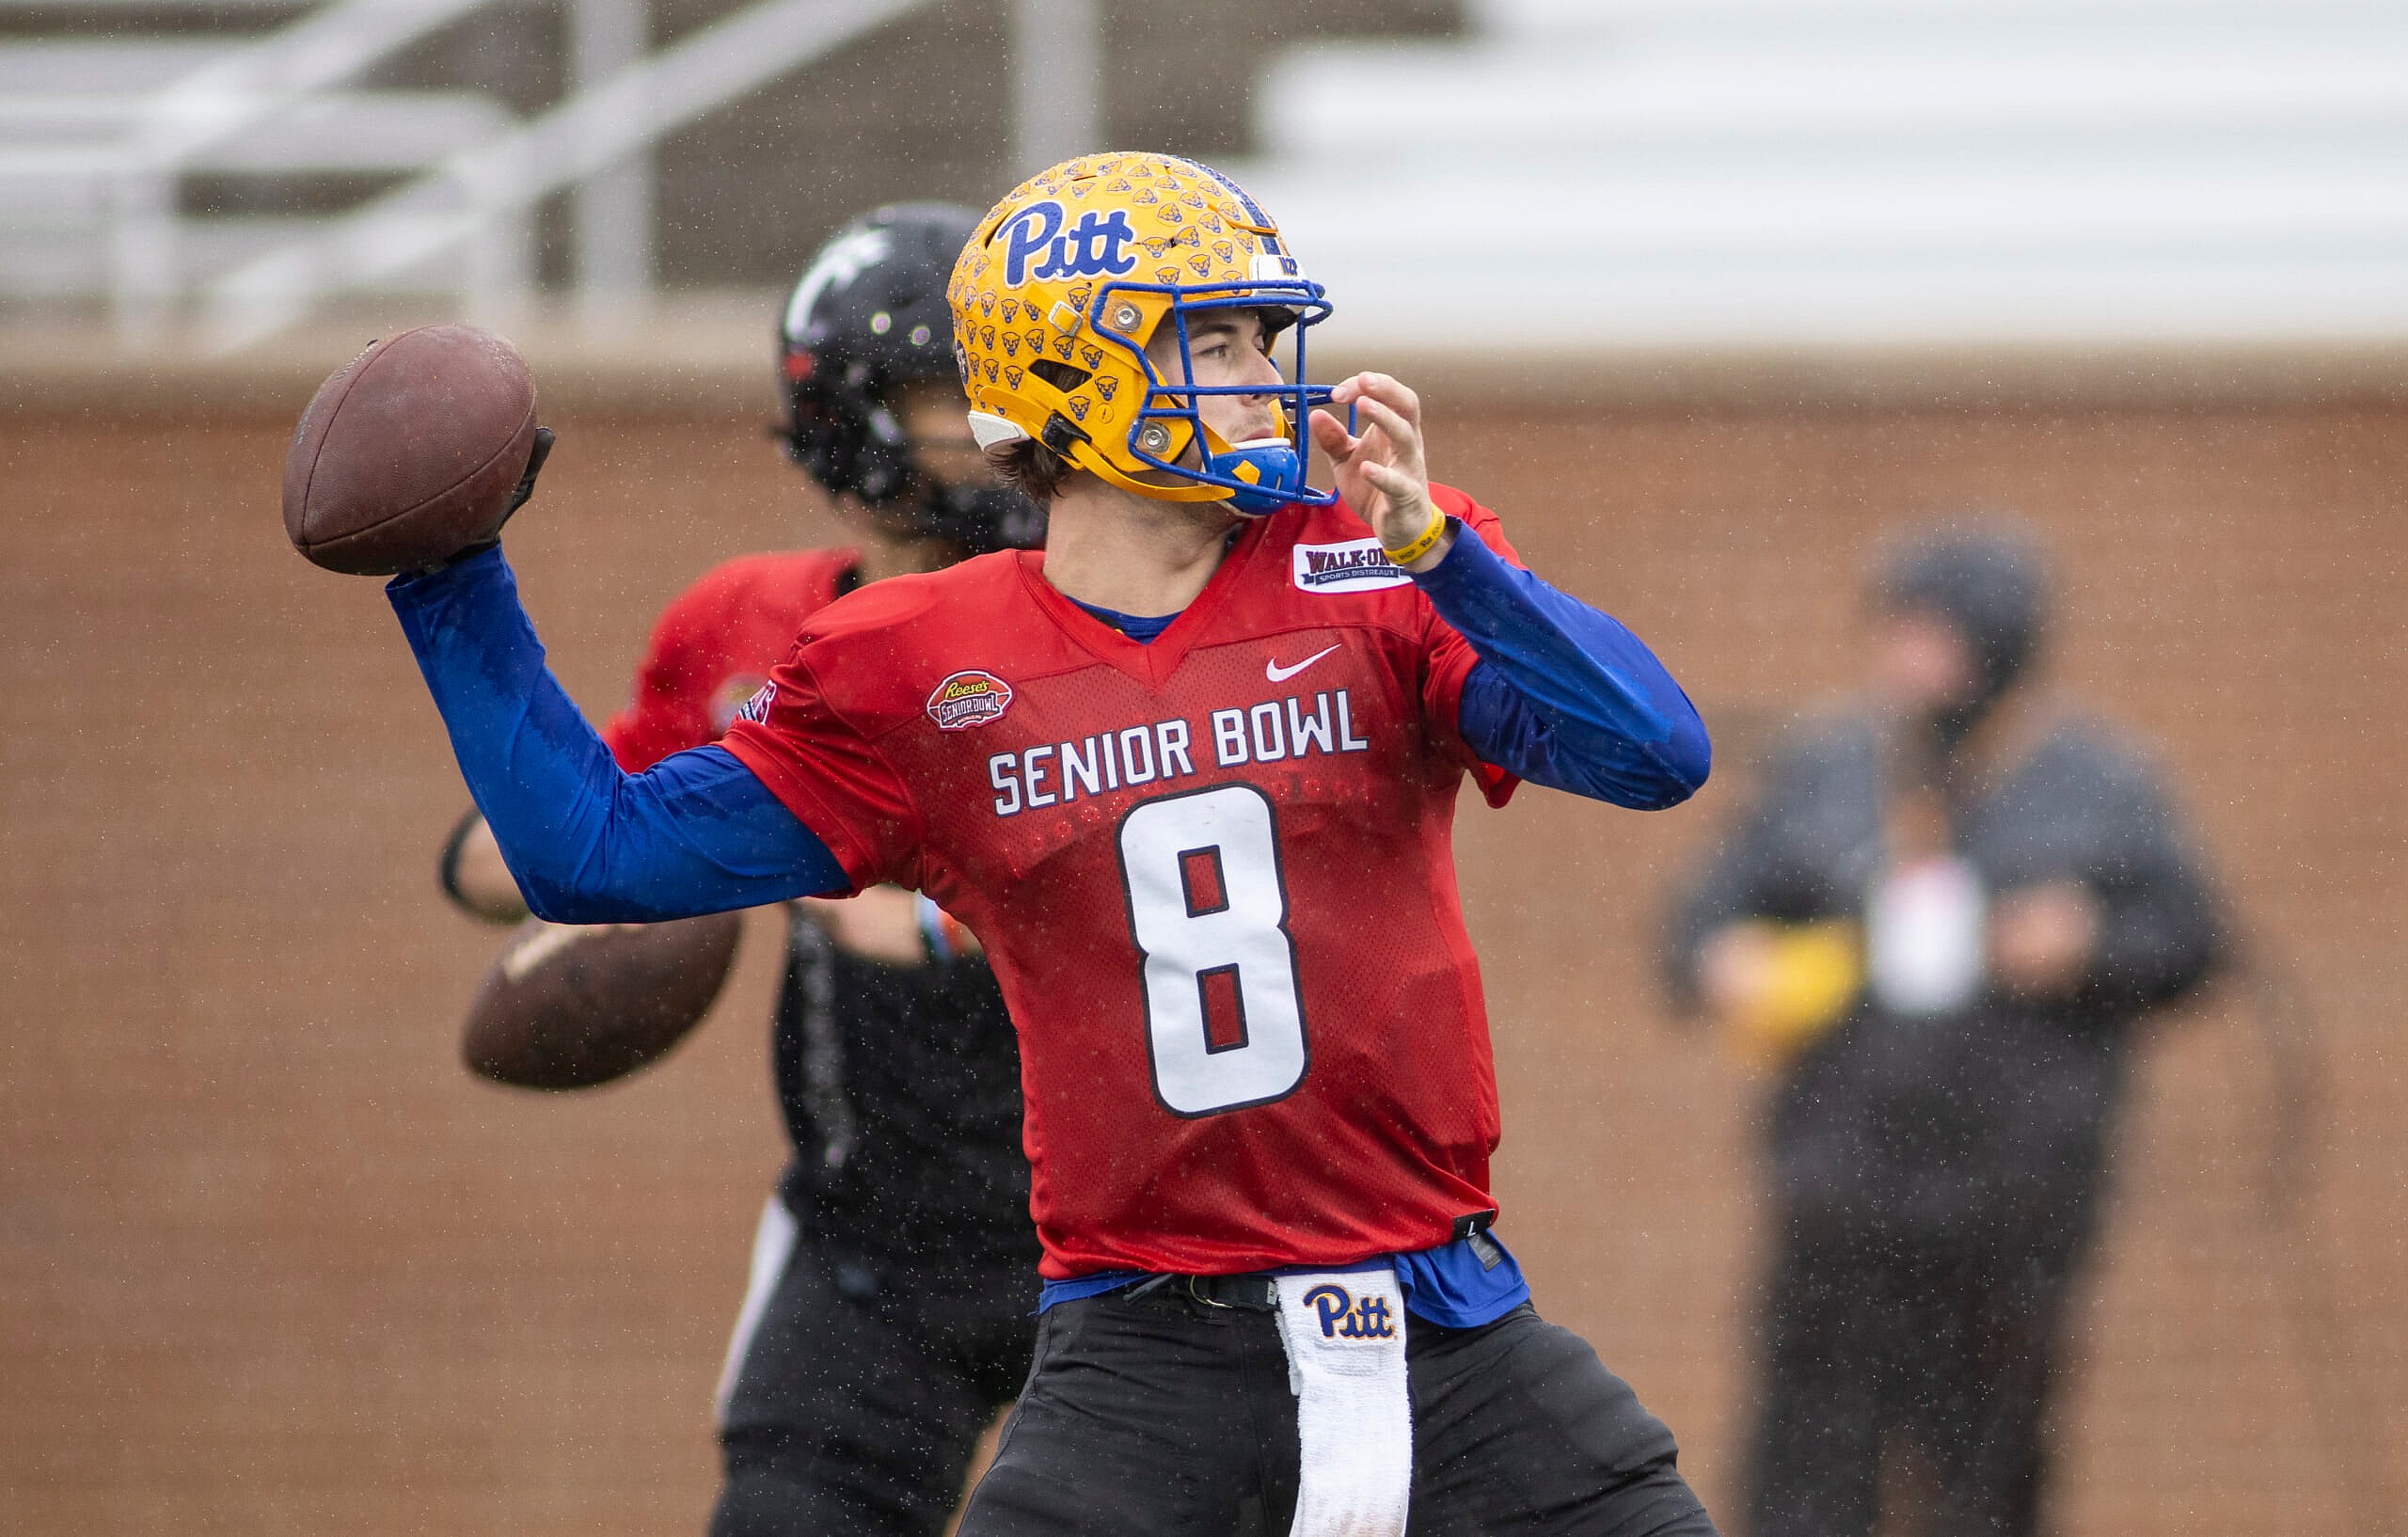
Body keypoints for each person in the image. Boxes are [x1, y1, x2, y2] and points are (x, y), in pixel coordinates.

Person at [375, 151, 1717, 1536]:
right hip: (1145, 1355)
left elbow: (1655, 752)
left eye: (1264, 339)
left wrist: (1445, 555)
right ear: (1077, 374)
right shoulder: (918, 662)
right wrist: (450, 580)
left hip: (1451, 1327)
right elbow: (596, 855)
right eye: (1215, 340)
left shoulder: (1377, 561)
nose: (1265, 377)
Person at [436, 205, 1046, 1537]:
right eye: (959, 394)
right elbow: (598, 814)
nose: (1002, 423)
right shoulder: (747, 627)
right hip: (875, 1237)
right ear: (854, 425)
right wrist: (516, 860)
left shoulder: (1077, 614)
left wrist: (894, 907)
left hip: (1119, 1231)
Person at [1664, 526, 2224, 1537]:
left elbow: (2190, 941)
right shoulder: (1830, 767)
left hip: (2013, 1205)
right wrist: (1724, 960)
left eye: (1930, 632)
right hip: (1841, 1197)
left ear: (1997, 643)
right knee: (1804, 1473)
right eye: (1895, 629)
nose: (1903, 655)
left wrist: (2087, 941)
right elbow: (1700, 922)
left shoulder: (2098, 783)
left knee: (1986, 1480)